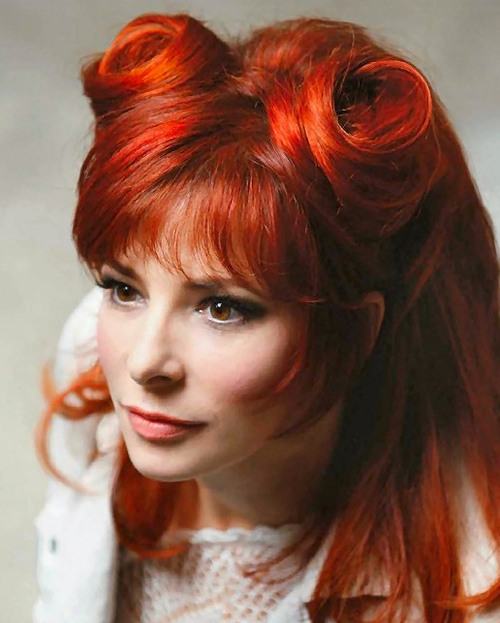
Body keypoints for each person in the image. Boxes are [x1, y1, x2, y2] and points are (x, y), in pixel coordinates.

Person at [34, 12, 500, 623]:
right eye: (124, 289)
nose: (144, 363)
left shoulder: (463, 578)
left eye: (221, 307)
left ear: (356, 331)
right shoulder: (94, 377)